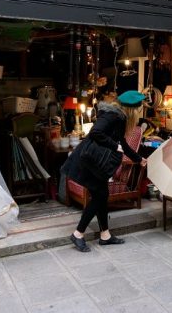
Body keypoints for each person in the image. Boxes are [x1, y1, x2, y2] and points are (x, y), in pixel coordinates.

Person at [61, 90, 147, 252]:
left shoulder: (119, 117)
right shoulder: (113, 116)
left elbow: (123, 144)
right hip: (91, 161)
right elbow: (95, 133)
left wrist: (138, 159)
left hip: (95, 162)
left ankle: (105, 235)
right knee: (100, 196)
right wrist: (115, 146)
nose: (139, 113)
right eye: (138, 109)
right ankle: (78, 233)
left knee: (101, 195)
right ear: (132, 109)